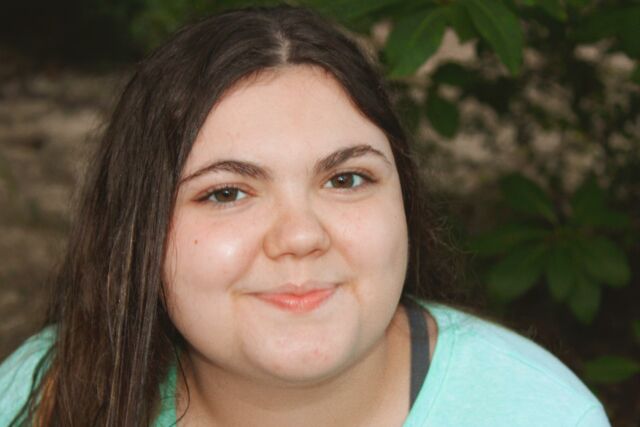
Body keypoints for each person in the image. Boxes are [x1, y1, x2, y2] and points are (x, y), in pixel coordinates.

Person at [0, 5, 610, 426]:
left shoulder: (541, 413)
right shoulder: (46, 393)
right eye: (227, 193)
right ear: (138, 230)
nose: (300, 236)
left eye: (346, 179)